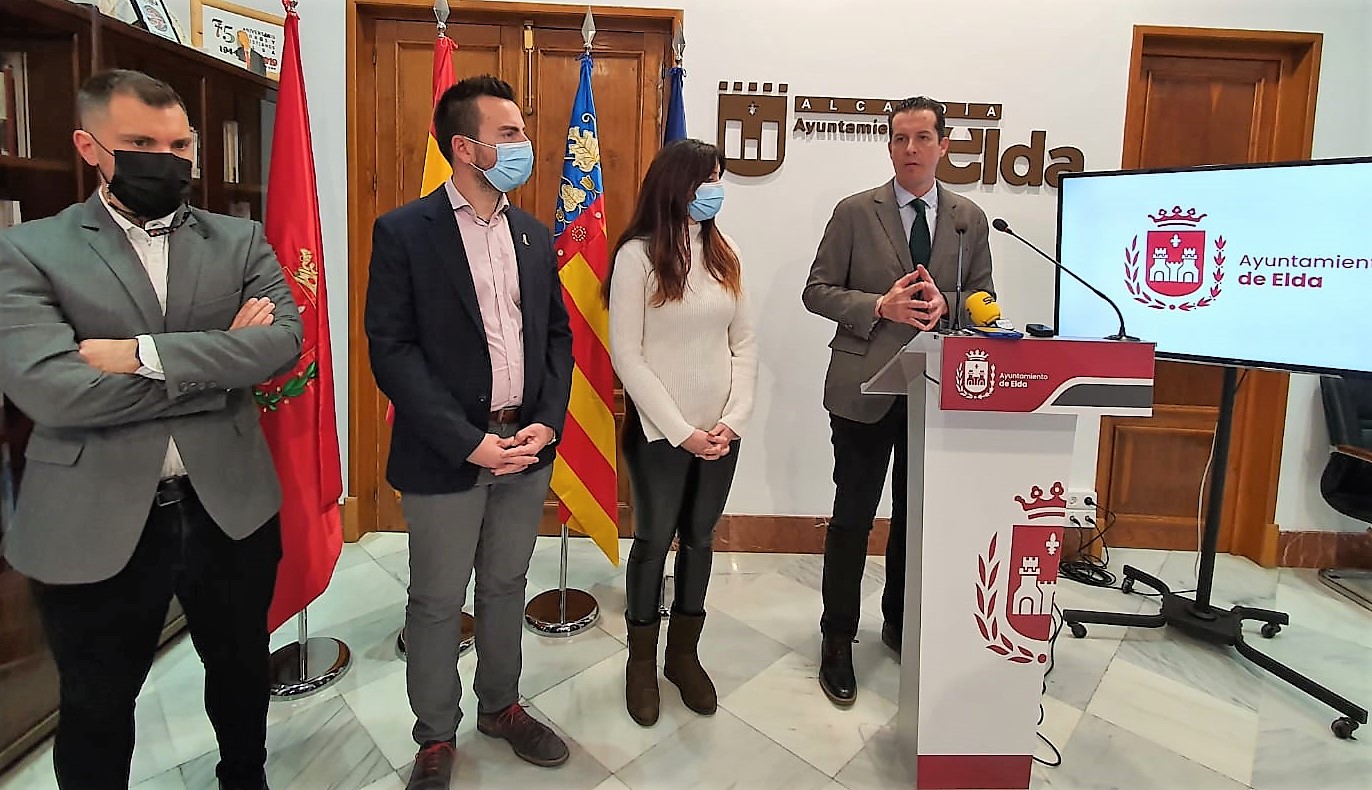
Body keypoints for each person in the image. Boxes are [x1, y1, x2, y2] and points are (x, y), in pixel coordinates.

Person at [0, 69, 303, 789]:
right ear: (90, 146)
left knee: (240, 672)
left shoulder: (239, 240)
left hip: (227, 507)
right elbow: (53, 392)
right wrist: (219, 365)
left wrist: (139, 355)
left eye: (179, 144)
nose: (165, 160)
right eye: (140, 144)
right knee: (97, 704)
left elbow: (282, 344)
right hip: (94, 516)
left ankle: (245, 778)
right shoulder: (29, 250)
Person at [364, 74, 573, 789]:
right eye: (508, 134)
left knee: (507, 585)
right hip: (447, 451)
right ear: (464, 146)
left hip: (526, 446)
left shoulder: (534, 235)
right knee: (436, 600)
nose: (523, 145)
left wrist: (545, 421)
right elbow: (391, 351)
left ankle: (501, 706)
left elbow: (555, 336)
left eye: (522, 132)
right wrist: (467, 440)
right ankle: (434, 737)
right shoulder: (404, 232)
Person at [802, 96, 995, 707]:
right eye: (900, 139)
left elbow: (984, 299)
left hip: (934, 390)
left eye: (922, 138)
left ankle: (899, 621)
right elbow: (816, 291)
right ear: (889, 147)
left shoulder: (968, 218)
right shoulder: (855, 212)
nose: (911, 149)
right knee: (853, 518)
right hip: (862, 388)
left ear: (944, 145)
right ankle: (837, 639)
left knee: (916, 519)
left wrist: (949, 306)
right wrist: (878, 306)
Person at [606, 139, 758, 727]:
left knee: (699, 539)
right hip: (658, 434)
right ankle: (641, 663)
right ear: (676, 185)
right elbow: (628, 356)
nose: (715, 190)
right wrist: (680, 431)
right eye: (706, 179)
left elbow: (744, 344)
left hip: (720, 433)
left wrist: (732, 421)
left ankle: (683, 657)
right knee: (652, 542)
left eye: (719, 178)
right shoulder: (637, 257)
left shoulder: (726, 253)